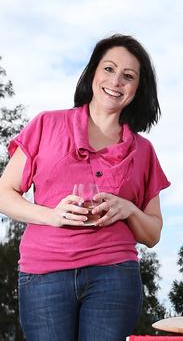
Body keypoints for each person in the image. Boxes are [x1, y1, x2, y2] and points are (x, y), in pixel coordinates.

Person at [0, 34, 170, 340]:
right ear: (92, 73)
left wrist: (128, 209)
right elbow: (4, 193)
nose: (116, 81)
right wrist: (51, 215)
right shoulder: (46, 125)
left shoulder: (144, 151)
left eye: (128, 76)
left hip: (114, 275)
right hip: (43, 276)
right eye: (108, 69)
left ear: (137, 89)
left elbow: (153, 233)